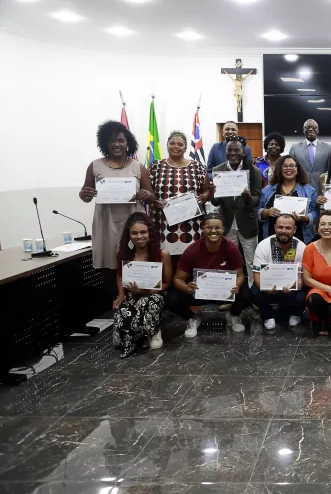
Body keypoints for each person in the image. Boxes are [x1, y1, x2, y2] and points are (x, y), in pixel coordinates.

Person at [79, 121, 154, 271]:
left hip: (133, 220)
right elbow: (85, 196)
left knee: (134, 262)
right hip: (105, 222)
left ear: (128, 143)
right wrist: (84, 194)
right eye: (111, 140)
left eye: (120, 140)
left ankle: (132, 294)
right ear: (105, 143)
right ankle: (113, 295)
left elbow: (152, 197)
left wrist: (147, 194)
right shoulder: (95, 166)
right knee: (108, 266)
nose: (116, 144)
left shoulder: (138, 167)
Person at [167, 213, 251, 337]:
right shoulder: (192, 250)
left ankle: (234, 315)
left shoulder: (232, 248)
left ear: (223, 229)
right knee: (171, 298)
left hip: (225, 292)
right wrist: (187, 288)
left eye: (217, 228)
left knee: (247, 294)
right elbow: (178, 279)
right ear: (203, 229)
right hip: (199, 292)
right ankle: (192, 318)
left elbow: (240, 276)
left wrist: (236, 286)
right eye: (209, 227)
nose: (213, 231)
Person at [113, 212, 172, 358]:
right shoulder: (124, 255)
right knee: (118, 341)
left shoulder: (162, 254)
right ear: (129, 235)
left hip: (154, 294)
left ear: (149, 233)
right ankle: (139, 332)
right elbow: (120, 276)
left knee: (148, 302)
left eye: (143, 232)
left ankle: (154, 330)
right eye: (134, 233)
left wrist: (146, 291)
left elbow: (166, 283)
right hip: (131, 294)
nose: (139, 236)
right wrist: (121, 295)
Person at [149, 131, 211, 260]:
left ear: (185, 147)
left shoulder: (197, 167)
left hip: (190, 224)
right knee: (164, 259)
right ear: (167, 145)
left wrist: (204, 196)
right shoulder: (156, 166)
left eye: (180, 144)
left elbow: (206, 190)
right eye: (172, 143)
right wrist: (154, 201)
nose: (175, 146)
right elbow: (149, 192)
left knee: (190, 259)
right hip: (163, 222)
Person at [211, 135, 263, 286]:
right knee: (228, 261)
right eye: (229, 150)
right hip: (226, 224)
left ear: (243, 153)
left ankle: (253, 293)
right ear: (225, 153)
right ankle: (230, 293)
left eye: (236, 150)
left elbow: (257, 198)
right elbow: (216, 201)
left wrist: (247, 198)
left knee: (251, 261)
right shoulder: (218, 170)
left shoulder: (253, 171)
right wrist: (213, 194)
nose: (232, 153)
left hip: (247, 223)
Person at [250, 214, 307, 330]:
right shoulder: (263, 246)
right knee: (254, 291)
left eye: (288, 228)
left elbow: (303, 277)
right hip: (269, 289)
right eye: (280, 227)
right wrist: (266, 288)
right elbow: (257, 276)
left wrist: (293, 287)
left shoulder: (302, 247)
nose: (283, 231)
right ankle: (268, 315)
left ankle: (296, 313)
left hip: (291, 289)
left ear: (294, 230)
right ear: (275, 227)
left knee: (304, 294)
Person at [257, 155, 319, 243]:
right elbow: (257, 210)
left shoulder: (309, 190)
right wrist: (266, 212)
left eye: (292, 165)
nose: (288, 168)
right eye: (285, 166)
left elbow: (316, 212)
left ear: (297, 169)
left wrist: (304, 218)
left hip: (301, 238)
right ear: (280, 169)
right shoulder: (268, 189)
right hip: (272, 237)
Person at [288, 119, 331, 192]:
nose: (311, 129)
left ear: (318, 130)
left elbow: (330, 171)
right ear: (303, 131)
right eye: (307, 127)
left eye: (314, 127)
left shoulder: (328, 148)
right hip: (300, 190)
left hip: (321, 191)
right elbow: (291, 170)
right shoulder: (294, 148)